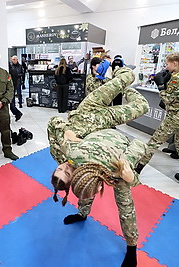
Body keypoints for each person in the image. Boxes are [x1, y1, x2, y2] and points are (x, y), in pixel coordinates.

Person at [49, 67, 149, 267]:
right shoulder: (112, 173)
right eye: (68, 172)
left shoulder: (66, 152)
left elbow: (54, 122)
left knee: (130, 89)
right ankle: (131, 245)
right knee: (124, 203)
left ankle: (121, 71)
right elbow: (90, 190)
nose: (65, 167)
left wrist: (66, 130)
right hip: (107, 128)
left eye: (60, 168)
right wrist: (131, 177)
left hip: (90, 113)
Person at [135, 52, 179, 189]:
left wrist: (161, 86)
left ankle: (136, 170)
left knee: (154, 142)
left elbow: (167, 99)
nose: (166, 66)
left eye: (168, 63)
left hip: (177, 117)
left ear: (175, 63)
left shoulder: (178, 78)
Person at [9, 55, 24, 120]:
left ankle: (20, 103)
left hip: (18, 82)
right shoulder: (10, 66)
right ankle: (16, 112)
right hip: (12, 83)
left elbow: (22, 73)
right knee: (12, 99)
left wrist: (19, 76)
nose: (14, 60)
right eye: (13, 59)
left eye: (15, 59)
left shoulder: (20, 66)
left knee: (19, 93)